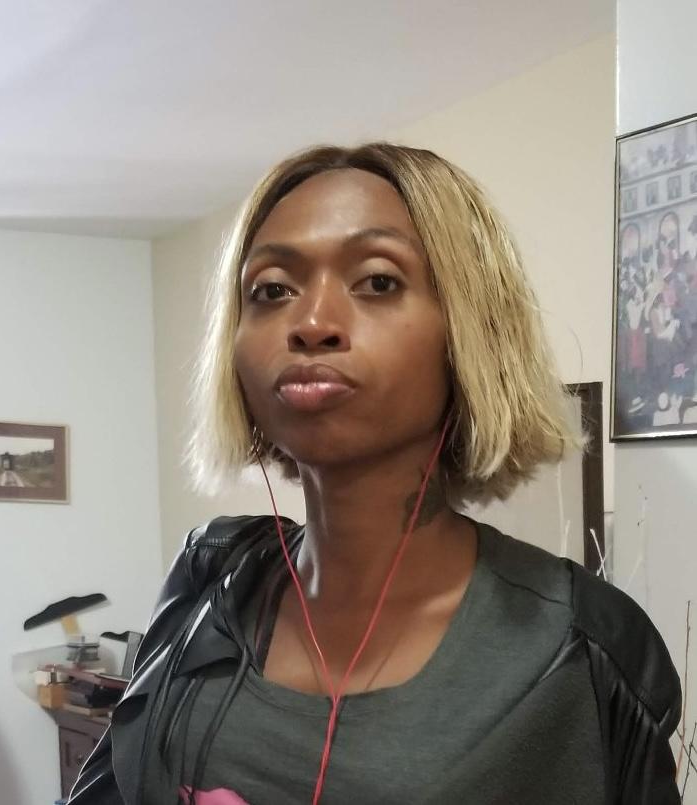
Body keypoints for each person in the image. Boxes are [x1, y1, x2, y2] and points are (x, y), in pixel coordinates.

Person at [69, 143, 681, 805]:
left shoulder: (583, 649)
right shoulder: (208, 580)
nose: (310, 323)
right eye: (271, 290)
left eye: (378, 282)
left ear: (469, 331)